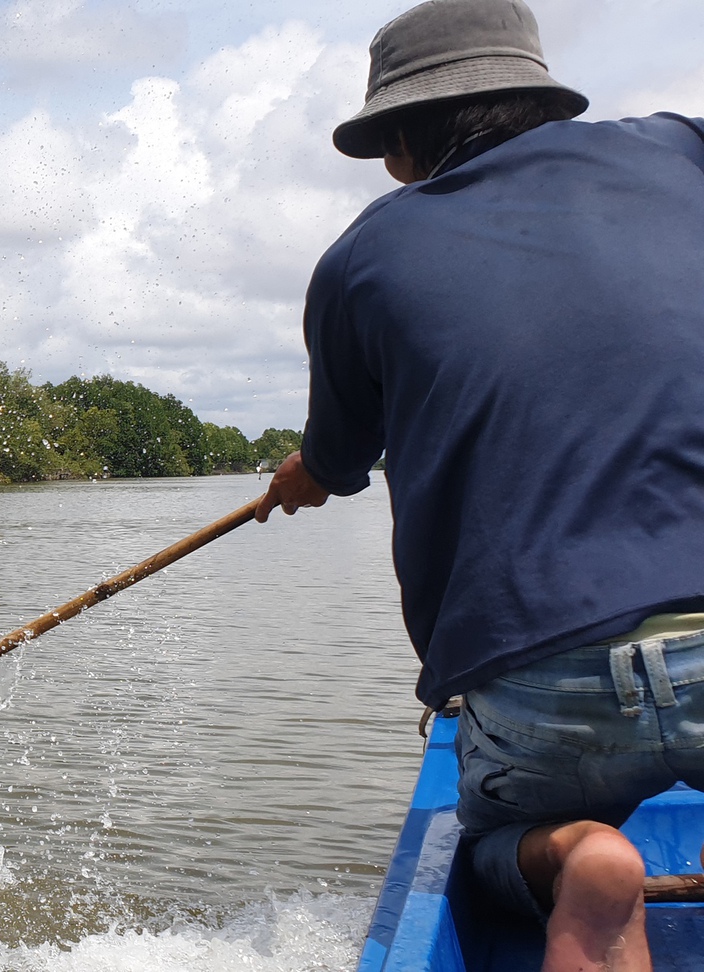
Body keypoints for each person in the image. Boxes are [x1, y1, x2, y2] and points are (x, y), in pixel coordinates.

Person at [256, 1, 704, 967]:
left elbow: (335, 461)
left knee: (502, 842)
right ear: (540, 102)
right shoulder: (681, 152)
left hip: (546, 679)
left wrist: (303, 476)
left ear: (405, 138)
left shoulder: (359, 260)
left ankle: (578, 855)